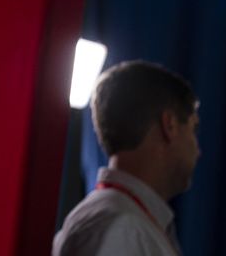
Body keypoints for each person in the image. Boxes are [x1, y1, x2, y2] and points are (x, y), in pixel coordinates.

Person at [53, 60, 201, 256]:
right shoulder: (121, 229)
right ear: (170, 125)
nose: (197, 150)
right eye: (193, 130)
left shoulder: (122, 221)